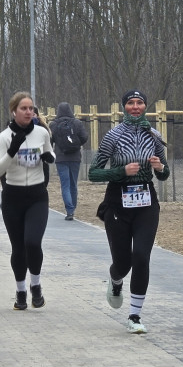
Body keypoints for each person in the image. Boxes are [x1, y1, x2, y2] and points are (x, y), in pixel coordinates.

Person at [88, 90, 170, 334]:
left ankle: (135, 315)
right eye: (131, 103)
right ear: (124, 107)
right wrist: (121, 171)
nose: (136, 107)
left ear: (146, 106)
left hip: (146, 202)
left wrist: (160, 167)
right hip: (118, 203)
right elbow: (94, 172)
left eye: (140, 103)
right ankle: (115, 280)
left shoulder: (154, 135)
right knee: (123, 263)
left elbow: (164, 174)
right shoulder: (113, 136)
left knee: (142, 257)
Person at [0, 91, 55, 310]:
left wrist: (49, 157)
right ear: (14, 111)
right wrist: (11, 152)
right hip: (13, 197)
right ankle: (20, 291)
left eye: (31, 108)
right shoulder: (4, 137)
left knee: (32, 242)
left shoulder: (41, 133)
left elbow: (51, 154)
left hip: (37, 196)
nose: (29, 112)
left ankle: (35, 285)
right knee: (18, 247)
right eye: (24, 108)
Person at [50, 102, 90, 221]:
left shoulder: (53, 124)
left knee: (65, 185)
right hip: (75, 157)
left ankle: (69, 210)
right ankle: (73, 208)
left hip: (61, 158)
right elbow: (84, 137)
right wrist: (76, 145)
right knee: (73, 184)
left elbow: (50, 140)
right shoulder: (77, 123)